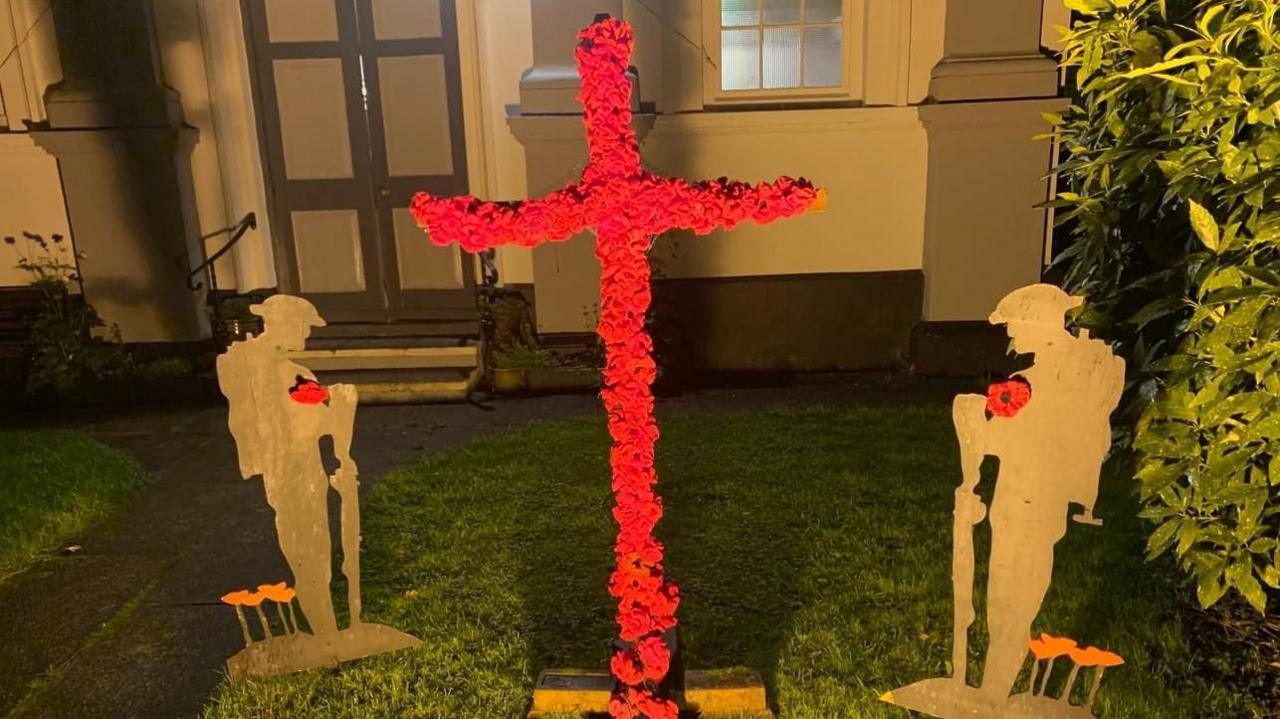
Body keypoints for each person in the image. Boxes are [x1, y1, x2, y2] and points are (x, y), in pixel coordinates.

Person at [953, 284, 1125, 700]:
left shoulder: (1062, 378)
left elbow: (1046, 440)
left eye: (1016, 325)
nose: (1013, 334)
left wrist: (978, 423)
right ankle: (996, 682)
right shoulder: (1044, 375)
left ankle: (997, 687)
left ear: (1039, 324)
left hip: (1034, 494)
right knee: (1005, 589)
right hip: (1018, 491)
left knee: (1014, 591)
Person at [216, 295, 359, 638]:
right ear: (284, 325)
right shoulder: (266, 370)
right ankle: (325, 633)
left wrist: (332, 400)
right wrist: (339, 401)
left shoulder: (280, 370)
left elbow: (317, 404)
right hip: (293, 471)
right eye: (304, 328)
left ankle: (326, 629)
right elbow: (310, 417)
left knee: (312, 552)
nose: (306, 336)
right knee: (309, 552)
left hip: (298, 469)